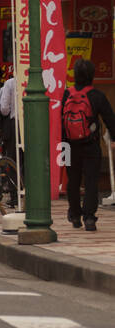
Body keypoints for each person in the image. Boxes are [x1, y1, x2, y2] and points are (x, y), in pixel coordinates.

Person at [60, 58, 115, 231]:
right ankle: (89, 218)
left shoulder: (66, 94)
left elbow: (60, 120)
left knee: (72, 180)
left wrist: (62, 144)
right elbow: (110, 119)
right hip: (90, 145)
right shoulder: (96, 95)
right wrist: (113, 139)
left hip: (68, 145)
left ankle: (75, 215)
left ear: (75, 75)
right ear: (92, 75)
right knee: (91, 180)